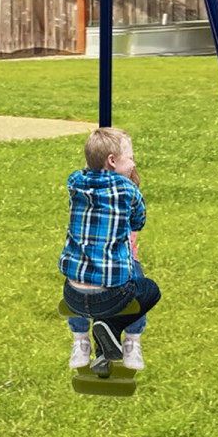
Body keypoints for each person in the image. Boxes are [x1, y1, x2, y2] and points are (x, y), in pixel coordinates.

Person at [59, 128, 160, 372]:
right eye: (131, 158)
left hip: (72, 296)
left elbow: (85, 170)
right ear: (113, 161)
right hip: (111, 297)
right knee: (149, 289)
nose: (134, 163)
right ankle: (116, 332)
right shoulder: (128, 191)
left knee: (91, 277)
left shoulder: (74, 182)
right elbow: (138, 223)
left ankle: (85, 345)